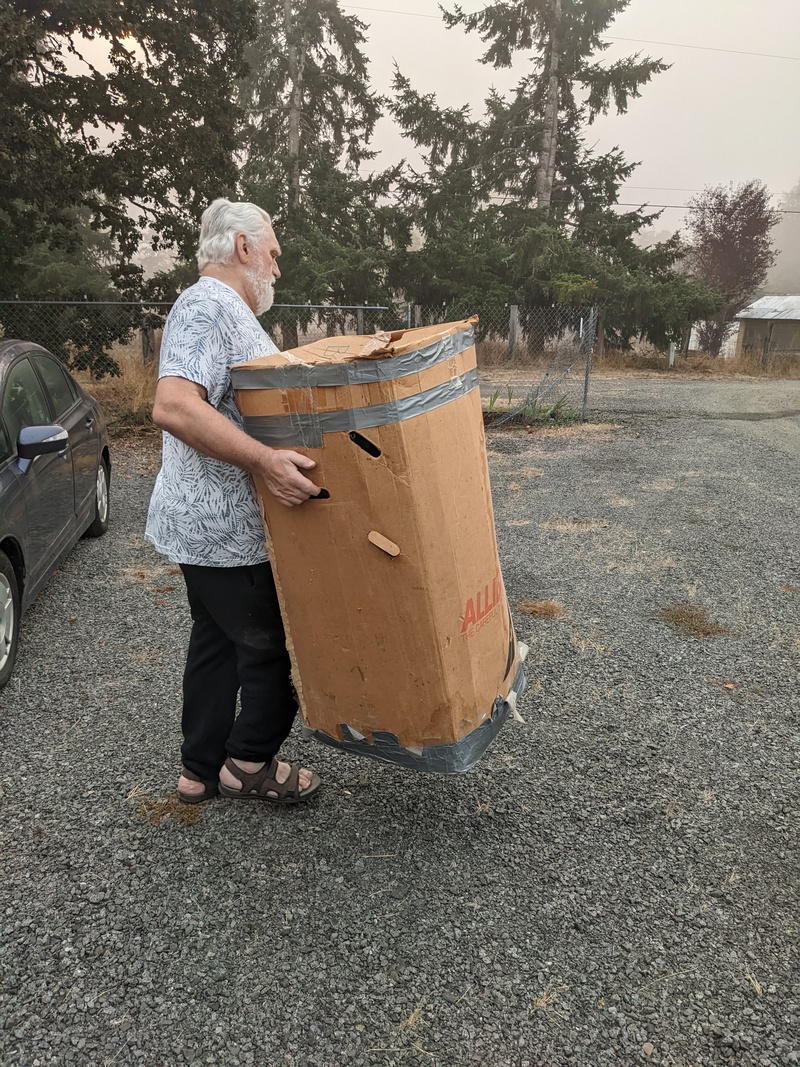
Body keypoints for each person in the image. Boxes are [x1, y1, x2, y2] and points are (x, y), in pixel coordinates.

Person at [145, 198, 322, 805]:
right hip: (224, 532)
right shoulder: (206, 304)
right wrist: (266, 461)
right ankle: (247, 764)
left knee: (216, 642)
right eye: (272, 254)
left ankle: (197, 773)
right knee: (276, 649)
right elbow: (173, 406)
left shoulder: (222, 310)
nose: (276, 269)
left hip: (208, 528)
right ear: (244, 248)